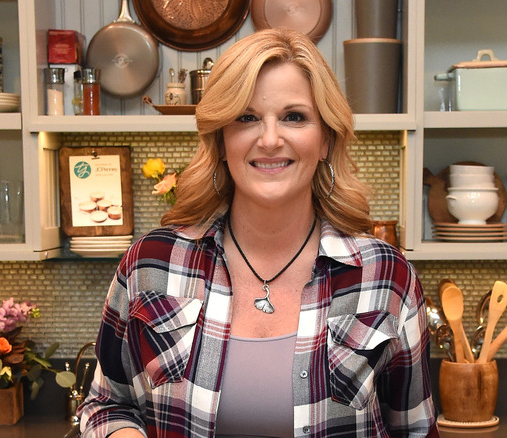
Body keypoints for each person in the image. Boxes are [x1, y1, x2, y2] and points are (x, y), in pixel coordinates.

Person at [78, 28, 439, 438]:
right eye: (247, 118)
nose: (270, 139)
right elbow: (106, 404)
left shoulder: (385, 275)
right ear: (221, 138)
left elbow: (416, 430)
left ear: (325, 139)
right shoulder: (151, 263)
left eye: (294, 117)